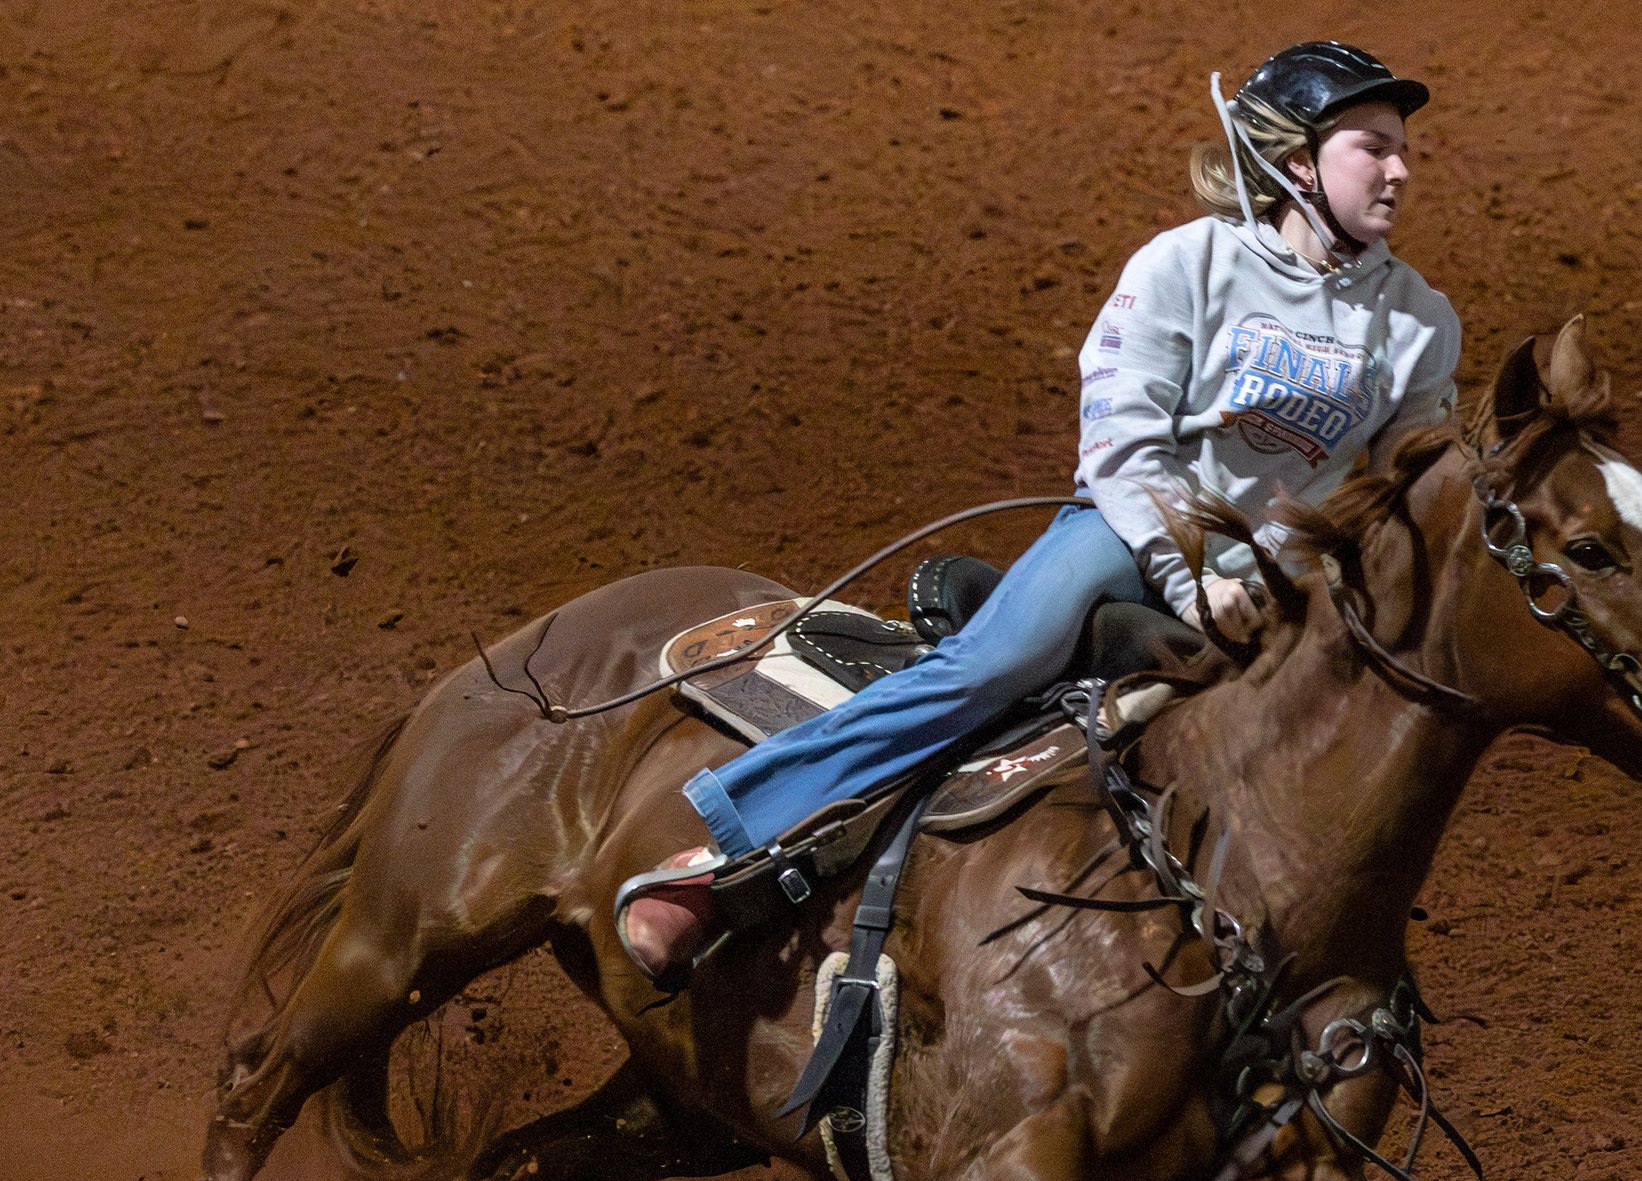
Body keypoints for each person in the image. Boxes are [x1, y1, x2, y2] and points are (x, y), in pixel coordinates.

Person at [619, 41, 1463, 981]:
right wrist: (1190, 583)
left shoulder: (1422, 320)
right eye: (1371, 145)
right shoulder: (1187, 264)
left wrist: (1283, 573)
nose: (1399, 169)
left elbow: (1390, 491)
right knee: (997, 661)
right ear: (1296, 161)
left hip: (1274, 575)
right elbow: (1122, 439)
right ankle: (725, 847)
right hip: (1130, 527)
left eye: (1401, 149)